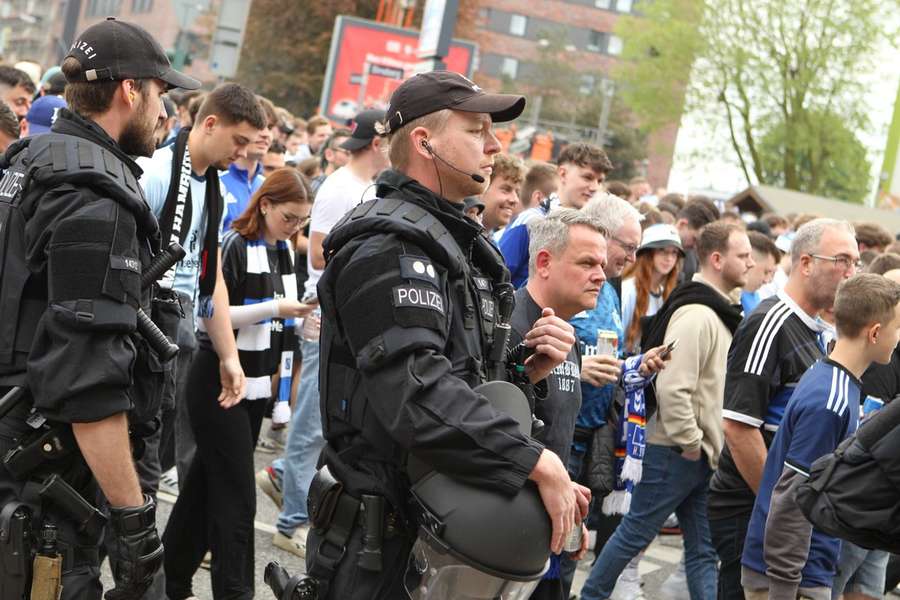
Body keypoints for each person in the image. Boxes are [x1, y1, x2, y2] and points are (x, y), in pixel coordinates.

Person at [306, 70, 584, 598]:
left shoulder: (453, 242)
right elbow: (417, 395)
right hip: (377, 546)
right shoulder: (391, 246)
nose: (494, 144)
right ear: (424, 140)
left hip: (435, 530)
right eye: (477, 129)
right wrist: (530, 461)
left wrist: (523, 373)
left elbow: (462, 378)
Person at [0, 18, 201, 598]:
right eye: (162, 94)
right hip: (44, 476)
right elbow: (88, 385)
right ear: (129, 90)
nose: (167, 113)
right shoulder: (95, 196)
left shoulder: (30, 159)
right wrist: (133, 519)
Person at [579, 222, 752, 600]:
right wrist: (690, 441)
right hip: (677, 450)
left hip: (700, 451)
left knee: (703, 550)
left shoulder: (717, 310)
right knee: (635, 534)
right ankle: (592, 595)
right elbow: (674, 386)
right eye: (744, 255)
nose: (751, 263)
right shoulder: (698, 314)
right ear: (717, 259)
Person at [163, 168, 314, 600]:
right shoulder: (233, 244)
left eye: (303, 220)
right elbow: (213, 315)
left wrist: (300, 317)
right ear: (264, 204)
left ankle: (167, 579)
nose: (296, 228)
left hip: (255, 387)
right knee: (237, 502)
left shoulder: (284, 248)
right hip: (219, 381)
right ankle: (233, 592)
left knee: (204, 490)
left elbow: (281, 316)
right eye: (291, 218)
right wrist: (275, 307)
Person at [258, 108, 389, 557]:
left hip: (346, 318)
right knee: (311, 425)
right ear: (378, 141)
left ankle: (280, 474)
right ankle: (291, 518)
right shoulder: (340, 187)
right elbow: (317, 255)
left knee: (331, 422)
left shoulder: (367, 186)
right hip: (324, 317)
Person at [708, 218, 859, 600]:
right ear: (805, 263)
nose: (851, 273)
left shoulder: (816, 329)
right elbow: (740, 428)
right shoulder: (770, 322)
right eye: (841, 260)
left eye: (856, 262)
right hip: (751, 511)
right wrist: (777, 512)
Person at [741, 274, 900, 600]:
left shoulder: (830, 378)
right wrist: (785, 588)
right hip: (792, 577)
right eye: (897, 329)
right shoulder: (831, 399)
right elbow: (792, 498)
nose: (898, 339)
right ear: (874, 332)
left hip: (804, 568)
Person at [138, 83, 263, 495]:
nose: (243, 152)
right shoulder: (156, 173)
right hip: (143, 337)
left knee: (151, 466)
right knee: (141, 469)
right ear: (210, 124)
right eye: (238, 140)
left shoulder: (215, 187)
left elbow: (210, 279)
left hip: (181, 335)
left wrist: (229, 356)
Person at [515, 208, 609, 599]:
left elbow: (551, 433)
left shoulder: (564, 330)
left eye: (602, 264)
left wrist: (568, 501)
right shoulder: (511, 325)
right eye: (587, 262)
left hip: (551, 530)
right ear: (544, 262)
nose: (601, 275)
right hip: (508, 532)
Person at [499, 144, 613, 288]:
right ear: (563, 174)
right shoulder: (531, 221)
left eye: (600, 181)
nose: (594, 187)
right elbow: (497, 275)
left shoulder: (590, 230)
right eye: (588, 177)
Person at [620, 223, 684, 355]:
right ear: (648, 253)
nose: (669, 258)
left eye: (674, 253)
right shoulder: (628, 290)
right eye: (662, 250)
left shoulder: (666, 293)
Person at [221, 96, 277, 231]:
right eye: (260, 126)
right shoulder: (216, 178)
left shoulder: (268, 186)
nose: (266, 134)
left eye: (270, 127)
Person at [481, 152, 525, 237]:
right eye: (506, 190)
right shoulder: (459, 234)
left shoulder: (492, 240)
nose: (515, 200)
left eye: (517, 192)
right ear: (482, 188)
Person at [741, 231, 780, 314]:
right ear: (749, 262)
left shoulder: (757, 296)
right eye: (766, 272)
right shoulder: (732, 301)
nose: (767, 280)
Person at [308, 127, 351, 195]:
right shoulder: (318, 187)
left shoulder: (349, 187)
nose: (353, 158)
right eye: (348, 153)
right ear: (329, 155)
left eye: (356, 154)